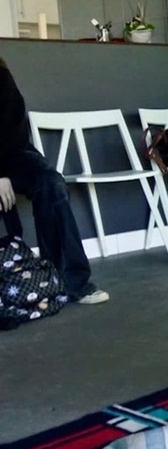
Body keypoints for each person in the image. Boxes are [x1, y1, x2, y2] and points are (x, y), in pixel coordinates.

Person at [0, 57, 108, 304]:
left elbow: (13, 132)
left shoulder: (1, 77)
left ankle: (72, 283)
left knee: (51, 183)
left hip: (11, 154)